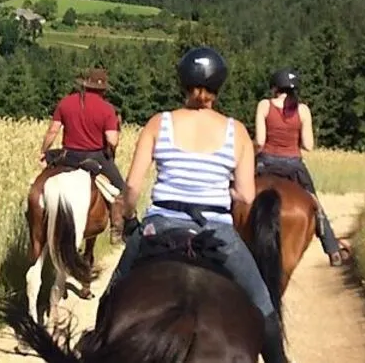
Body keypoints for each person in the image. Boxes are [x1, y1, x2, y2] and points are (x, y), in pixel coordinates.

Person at [109, 46, 288, 363]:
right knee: (264, 305)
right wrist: (222, 189)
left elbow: (133, 186)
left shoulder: (159, 123)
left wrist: (129, 214)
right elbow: (246, 195)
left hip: (160, 225)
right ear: (219, 85)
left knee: (111, 298)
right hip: (217, 232)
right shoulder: (236, 131)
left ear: (182, 81)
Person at [255, 67, 352, 267]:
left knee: (240, 195)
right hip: (293, 166)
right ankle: (332, 249)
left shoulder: (264, 105)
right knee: (315, 205)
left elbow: (260, 141)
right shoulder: (303, 110)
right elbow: (308, 145)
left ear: (274, 87)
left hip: (266, 163)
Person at [37, 67, 127, 194]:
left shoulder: (65, 102)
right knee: (122, 190)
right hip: (96, 157)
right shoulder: (107, 109)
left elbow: (52, 131)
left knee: (41, 180)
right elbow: (112, 141)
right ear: (104, 90)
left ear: (85, 85)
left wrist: (44, 152)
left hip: (68, 155)